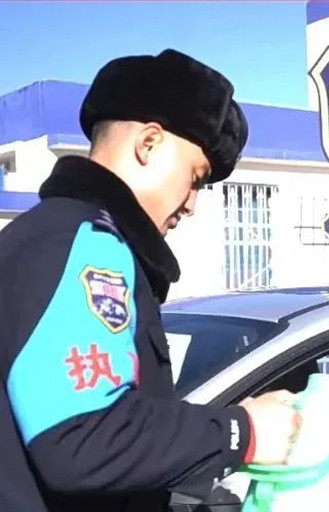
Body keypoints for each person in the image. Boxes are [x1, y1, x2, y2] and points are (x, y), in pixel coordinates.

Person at [0, 49, 301, 512]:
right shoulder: (88, 244)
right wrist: (243, 432)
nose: (192, 205)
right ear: (149, 144)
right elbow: (84, 436)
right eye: (196, 178)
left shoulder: (40, 234)